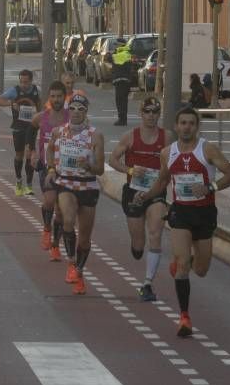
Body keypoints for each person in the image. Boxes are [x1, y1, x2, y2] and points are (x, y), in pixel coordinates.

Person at [134, 106, 230, 336]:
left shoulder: (207, 149)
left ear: (196, 126)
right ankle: (184, 317)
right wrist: (147, 195)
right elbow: (162, 181)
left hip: (204, 213)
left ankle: (188, 261)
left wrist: (211, 186)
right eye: (183, 123)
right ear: (176, 126)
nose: (187, 127)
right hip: (181, 212)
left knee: (200, 269)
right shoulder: (167, 152)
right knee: (182, 266)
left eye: (191, 123)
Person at [44, 94, 105, 295]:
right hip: (66, 184)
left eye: (81, 109)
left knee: (85, 238)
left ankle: (79, 272)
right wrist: (52, 169)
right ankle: (70, 262)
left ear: (86, 112)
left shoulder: (95, 135)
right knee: (68, 221)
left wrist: (89, 165)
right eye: (74, 108)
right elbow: (50, 150)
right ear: (68, 111)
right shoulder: (58, 132)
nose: (77, 112)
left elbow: (99, 170)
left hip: (87, 186)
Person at [108, 97, 168, 302]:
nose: (151, 115)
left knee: (155, 233)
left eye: (155, 112)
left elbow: (175, 161)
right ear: (141, 114)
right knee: (138, 242)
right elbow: (112, 160)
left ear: (159, 114)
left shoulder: (166, 137)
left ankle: (148, 283)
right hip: (133, 192)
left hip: (156, 192)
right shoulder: (130, 137)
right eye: (147, 111)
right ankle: (137, 247)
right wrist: (131, 169)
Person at [29, 81, 69, 261]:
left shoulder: (72, 118)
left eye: (59, 96)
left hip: (67, 169)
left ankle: (55, 245)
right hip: (46, 166)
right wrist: (32, 151)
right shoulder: (41, 117)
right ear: (49, 98)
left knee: (61, 212)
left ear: (65, 97)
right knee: (49, 201)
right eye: (53, 96)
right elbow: (30, 130)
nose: (56, 99)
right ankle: (46, 228)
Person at [0, 69, 42, 196]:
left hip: (31, 127)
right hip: (18, 127)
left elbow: (41, 106)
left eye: (26, 82)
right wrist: (11, 103)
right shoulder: (14, 91)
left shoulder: (36, 90)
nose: (24, 85)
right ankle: (19, 180)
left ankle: (29, 185)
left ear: (31, 81)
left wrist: (39, 114)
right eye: (21, 82)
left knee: (29, 154)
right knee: (19, 155)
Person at [111, 42, 133, 125]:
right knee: (123, 100)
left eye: (116, 45)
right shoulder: (127, 53)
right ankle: (123, 119)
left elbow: (114, 62)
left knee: (120, 101)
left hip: (120, 80)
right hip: (125, 80)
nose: (115, 46)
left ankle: (122, 119)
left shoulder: (121, 54)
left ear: (120, 45)